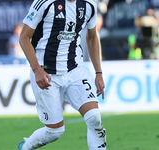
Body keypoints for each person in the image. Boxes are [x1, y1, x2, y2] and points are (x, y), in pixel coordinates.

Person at [18, 0, 106, 149]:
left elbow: (91, 37)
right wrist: (37, 69)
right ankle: (26, 147)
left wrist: (98, 72)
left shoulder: (89, 4)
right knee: (55, 131)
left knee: (94, 118)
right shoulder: (44, 3)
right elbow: (24, 38)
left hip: (75, 70)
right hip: (46, 73)